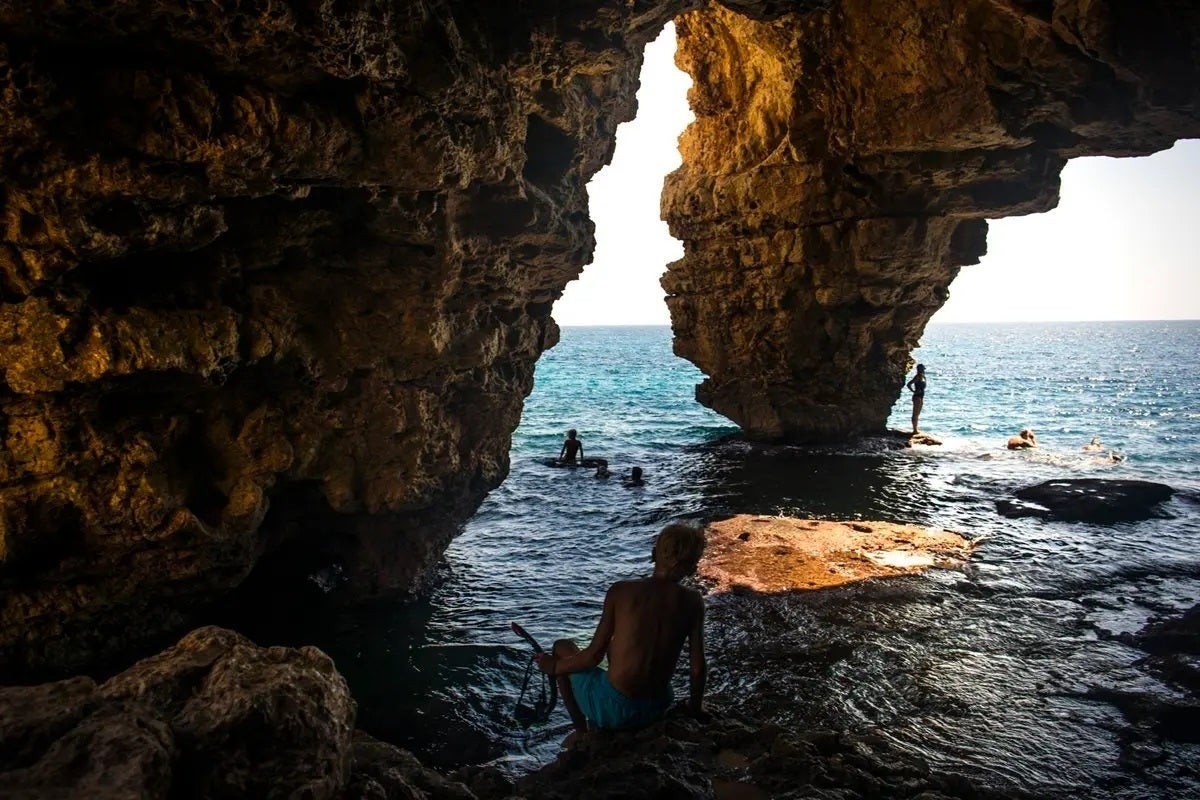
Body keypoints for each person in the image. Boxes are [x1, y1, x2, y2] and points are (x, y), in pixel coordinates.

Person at [534, 523, 707, 734]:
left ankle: (582, 733)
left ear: (654, 553)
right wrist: (695, 710)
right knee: (616, 648)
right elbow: (697, 669)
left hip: (615, 710)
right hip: (657, 708)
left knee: (562, 646)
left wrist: (553, 667)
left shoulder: (621, 591)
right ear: (691, 566)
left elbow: (592, 656)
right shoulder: (694, 601)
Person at [905, 364, 927, 434]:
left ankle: (916, 429)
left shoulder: (923, 376)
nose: (924, 370)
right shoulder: (917, 376)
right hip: (917, 396)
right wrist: (913, 391)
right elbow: (909, 384)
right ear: (920, 369)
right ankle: (914, 430)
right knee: (915, 414)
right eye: (923, 369)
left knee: (917, 414)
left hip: (921, 396)